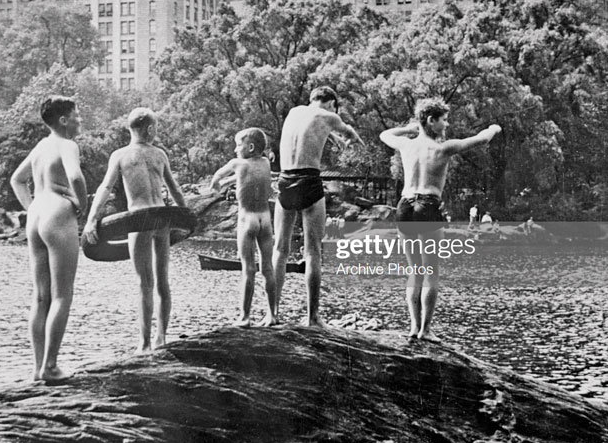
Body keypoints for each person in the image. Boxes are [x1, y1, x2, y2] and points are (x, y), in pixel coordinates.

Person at [380, 98, 501, 344]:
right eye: (443, 119)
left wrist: (409, 129)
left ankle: (414, 327)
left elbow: (385, 134)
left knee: (415, 271)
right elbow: (481, 139)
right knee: (431, 272)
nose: (446, 124)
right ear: (431, 121)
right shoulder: (443, 148)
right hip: (428, 206)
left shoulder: (406, 144)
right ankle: (425, 330)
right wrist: (494, 129)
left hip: (404, 206)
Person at [84, 107, 186, 353]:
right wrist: (186, 216)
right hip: (161, 219)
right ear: (150, 129)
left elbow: (105, 188)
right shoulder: (160, 155)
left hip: (139, 221)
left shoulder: (120, 155)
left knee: (144, 282)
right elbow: (174, 190)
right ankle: (162, 337)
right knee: (162, 280)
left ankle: (144, 343)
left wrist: (91, 220)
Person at [10, 95, 88, 384]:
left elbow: (17, 179)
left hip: (37, 214)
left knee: (40, 296)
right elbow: (76, 178)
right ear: (63, 120)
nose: (80, 119)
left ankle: (37, 368)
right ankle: (51, 366)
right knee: (61, 295)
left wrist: (30, 206)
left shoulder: (41, 146)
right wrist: (81, 205)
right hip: (58, 214)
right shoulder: (67, 144)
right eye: (76, 114)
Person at [274, 85, 364, 326]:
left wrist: (334, 138)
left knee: (280, 249)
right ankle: (313, 317)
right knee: (312, 251)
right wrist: (352, 140)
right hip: (309, 180)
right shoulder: (330, 116)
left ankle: (271, 314)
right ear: (332, 104)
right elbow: (348, 131)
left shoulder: (294, 112)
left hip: (285, 180)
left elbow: (319, 129)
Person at [209, 128, 276, 327]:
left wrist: (215, 184)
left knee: (248, 269)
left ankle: (245, 317)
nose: (235, 149)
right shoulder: (265, 163)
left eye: (239, 145)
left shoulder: (237, 164)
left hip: (247, 220)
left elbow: (218, 175)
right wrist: (231, 181)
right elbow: (247, 176)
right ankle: (272, 315)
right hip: (265, 220)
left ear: (250, 147)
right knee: (268, 268)